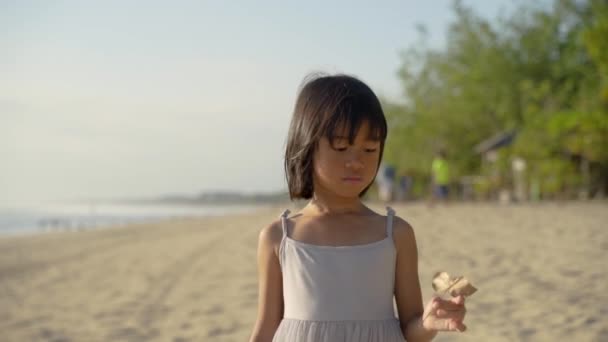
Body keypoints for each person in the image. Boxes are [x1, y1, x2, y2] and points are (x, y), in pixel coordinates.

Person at [249, 74, 467, 342]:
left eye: (370, 148)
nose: (356, 161)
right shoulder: (279, 237)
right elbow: (266, 327)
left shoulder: (395, 234)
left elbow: (411, 328)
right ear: (306, 147)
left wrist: (429, 324)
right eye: (341, 147)